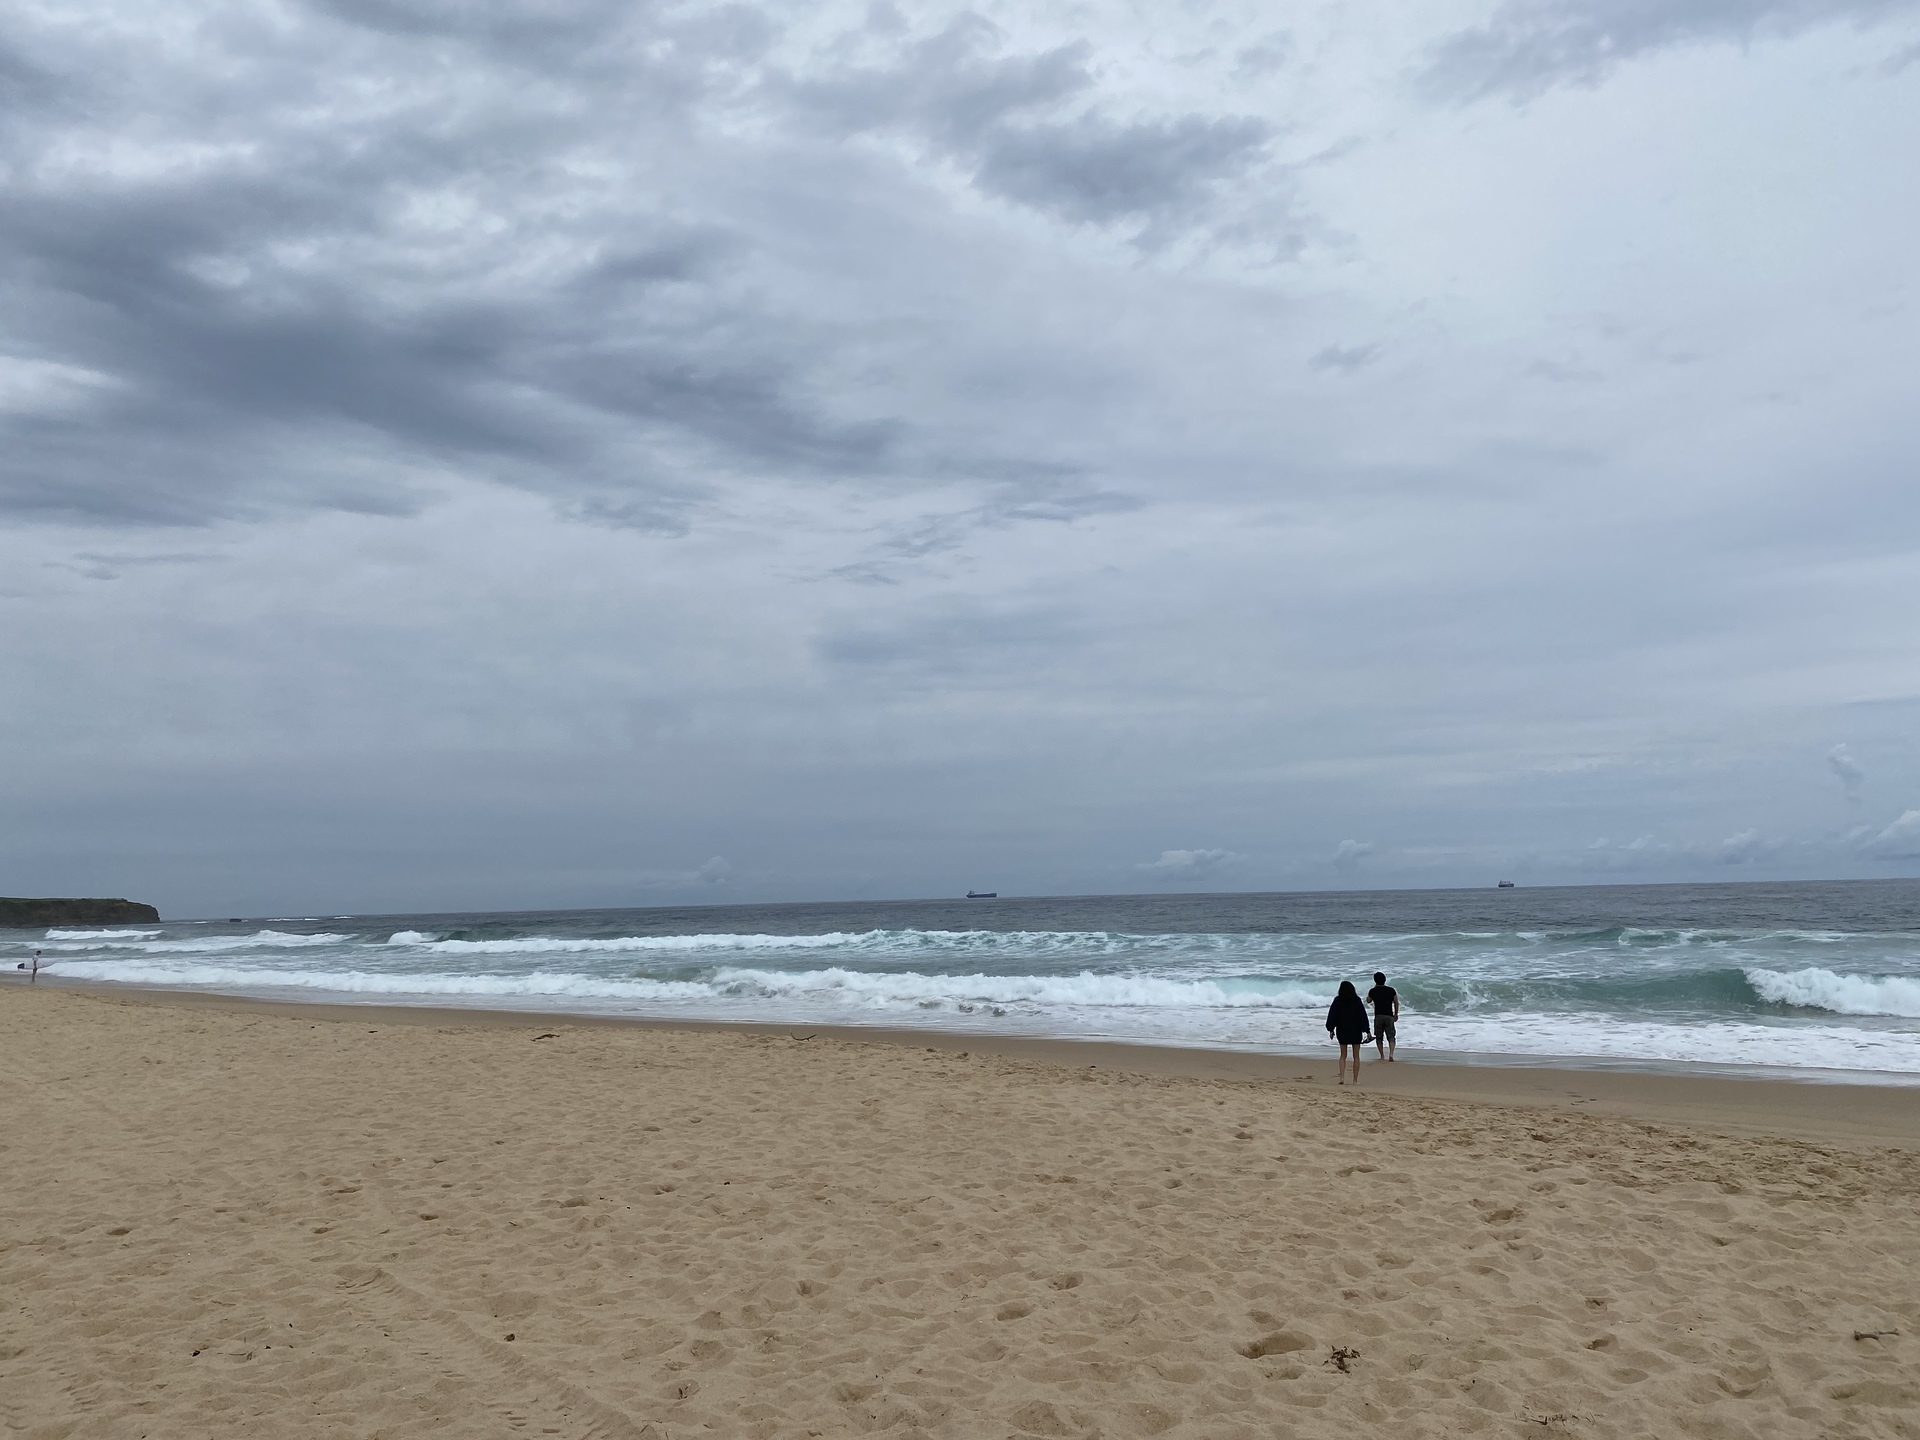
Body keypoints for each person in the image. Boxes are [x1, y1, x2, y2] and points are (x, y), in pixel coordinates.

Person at [1325, 980, 1370, 1085]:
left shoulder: (1337, 1000)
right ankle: (1355, 1080)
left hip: (1342, 1029)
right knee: (1356, 1056)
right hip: (1355, 1030)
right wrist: (1367, 1030)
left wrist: (1331, 1029)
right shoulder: (1356, 1000)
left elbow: (1332, 1015)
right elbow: (1362, 1016)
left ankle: (1342, 1078)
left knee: (1342, 1055)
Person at [1367, 971, 1399, 1061]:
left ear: (1375, 981)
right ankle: (1391, 1054)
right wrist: (1396, 1013)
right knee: (1391, 1036)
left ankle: (1381, 1056)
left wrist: (1374, 989)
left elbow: (1368, 1000)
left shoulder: (1373, 991)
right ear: (1385, 980)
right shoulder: (1391, 990)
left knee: (1379, 1037)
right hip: (1389, 1016)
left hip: (1378, 1016)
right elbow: (1396, 1002)